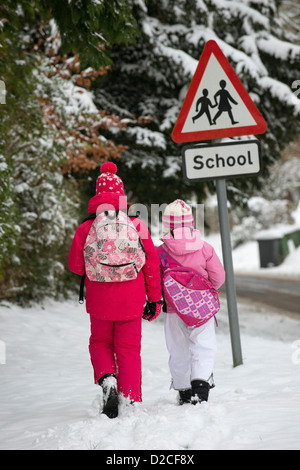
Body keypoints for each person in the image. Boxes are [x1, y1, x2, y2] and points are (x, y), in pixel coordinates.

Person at [68, 162, 162, 418]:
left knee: (100, 342)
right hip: (131, 300)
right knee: (129, 349)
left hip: (99, 301)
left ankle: (108, 379)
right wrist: (155, 298)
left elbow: (76, 267)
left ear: (97, 195)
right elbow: (151, 264)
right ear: (122, 195)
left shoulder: (86, 227)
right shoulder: (137, 225)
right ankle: (130, 398)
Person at [157, 200, 225, 405]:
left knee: (177, 349)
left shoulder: (160, 252)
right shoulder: (205, 248)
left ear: (168, 225)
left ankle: (184, 390)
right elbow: (219, 278)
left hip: (173, 310)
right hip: (201, 308)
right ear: (191, 223)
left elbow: (154, 280)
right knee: (203, 346)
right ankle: (201, 388)